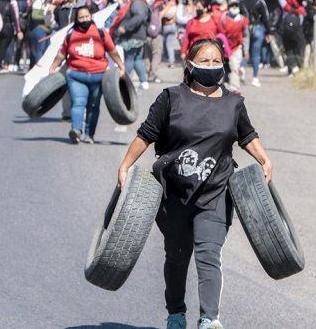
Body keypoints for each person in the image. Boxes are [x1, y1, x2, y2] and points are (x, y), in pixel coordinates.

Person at [117, 38, 273, 329]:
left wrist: (264, 159)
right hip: (174, 193)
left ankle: (209, 319)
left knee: (208, 253)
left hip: (215, 192)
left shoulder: (233, 103)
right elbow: (146, 134)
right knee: (176, 256)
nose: (211, 67)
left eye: (216, 61)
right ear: (190, 65)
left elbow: (247, 135)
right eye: (205, 61)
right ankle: (176, 313)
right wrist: (125, 165)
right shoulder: (171, 98)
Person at [49, 6, 126, 144]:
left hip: (98, 76)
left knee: (93, 106)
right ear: (76, 20)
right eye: (81, 18)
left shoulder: (101, 33)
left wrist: (121, 66)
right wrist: (53, 67)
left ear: (91, 17)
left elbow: (112, 51)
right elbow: (62, 53)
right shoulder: (71, 34)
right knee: (78, 103)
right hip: (76, 75)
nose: (84, 20)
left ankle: (89, 135)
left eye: (86, 17)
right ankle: (76, 130)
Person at [113, 0, 151, 90]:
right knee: (137, 59)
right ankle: (144, 82)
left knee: (129, 59)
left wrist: (125, 27)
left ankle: (125, 82)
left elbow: (139, 17)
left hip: (133, 36)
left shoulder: (137, 3)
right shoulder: (141, 2)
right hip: (138, 35)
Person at [239, 0, 272, 87]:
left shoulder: (241, 2)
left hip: (244, 28)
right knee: (256, 54)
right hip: (257, 28)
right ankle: (255, 78)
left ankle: (242, 67)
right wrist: (268, 32)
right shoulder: (260, 2)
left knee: (244, 50)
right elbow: (266, 17)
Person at [219, 0, 249, 93]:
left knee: (234, 66)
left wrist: (246, 50)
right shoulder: (224, 19)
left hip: (237, 47)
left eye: (236, 5)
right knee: (225, 67)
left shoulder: (243, 20)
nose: (234, 7)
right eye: (232, 5)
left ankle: (235, 88)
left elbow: (246, 36)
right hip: (225, 48)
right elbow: (220, 35)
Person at [0, 0, 19, 72]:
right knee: (2, 47)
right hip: (7, 29)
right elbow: (14, 19)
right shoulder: (9, 5)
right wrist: (18, 30)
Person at [29, 0, 55, 66]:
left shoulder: (48, 4)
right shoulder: (38, 2)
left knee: (45, 50)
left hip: (47, 30)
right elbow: (35, 16)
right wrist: (46, 16)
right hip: (39, 29)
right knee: (39, 51)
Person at [160, 0, 180, 69]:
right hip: (172, 26)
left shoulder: (165, 1)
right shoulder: (176, 2)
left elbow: (163, 14)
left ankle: (168, 59)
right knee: (169, 45)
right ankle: (171, 62)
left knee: (166, 44)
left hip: (165, 25)